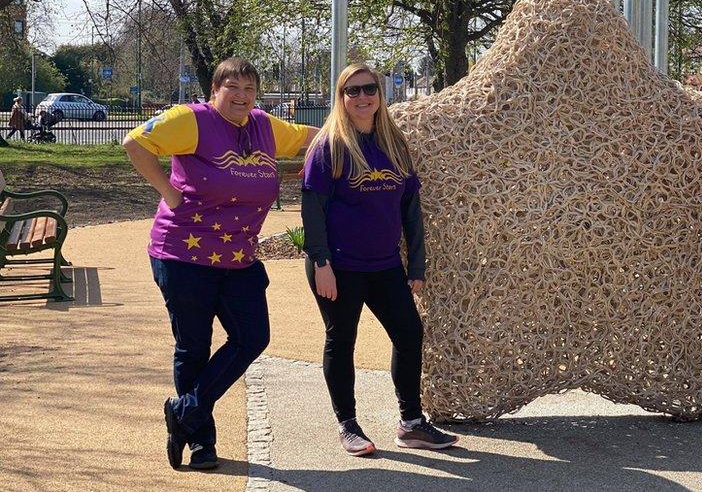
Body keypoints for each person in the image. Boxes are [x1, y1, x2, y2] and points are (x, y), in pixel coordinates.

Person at [122, 57, 317, 470]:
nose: (242, 96)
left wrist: (328, 149)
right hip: (183, 254)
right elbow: (134, 143)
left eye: (250, 88)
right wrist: (169, 194)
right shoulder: (191, 120)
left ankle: (185, 412)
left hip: (239, 256)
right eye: (233, 87)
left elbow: (313, 137)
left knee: (252, 336)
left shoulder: (265, 126)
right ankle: (201, 442)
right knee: (193, 347)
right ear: (215, 90)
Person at [301, 63, 458, 456]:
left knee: (409, 334)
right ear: (341, 98)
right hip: (338, 266)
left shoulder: (394, 144)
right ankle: (348, 425)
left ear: (380, 94)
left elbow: (410, 209)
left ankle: (411, 423)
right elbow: (312, 211)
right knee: (342, 341)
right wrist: (321, 263)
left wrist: (416, 265)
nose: (361, 97)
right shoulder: (330, 145)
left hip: (385, 264)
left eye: (369, 88)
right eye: (351, 91)